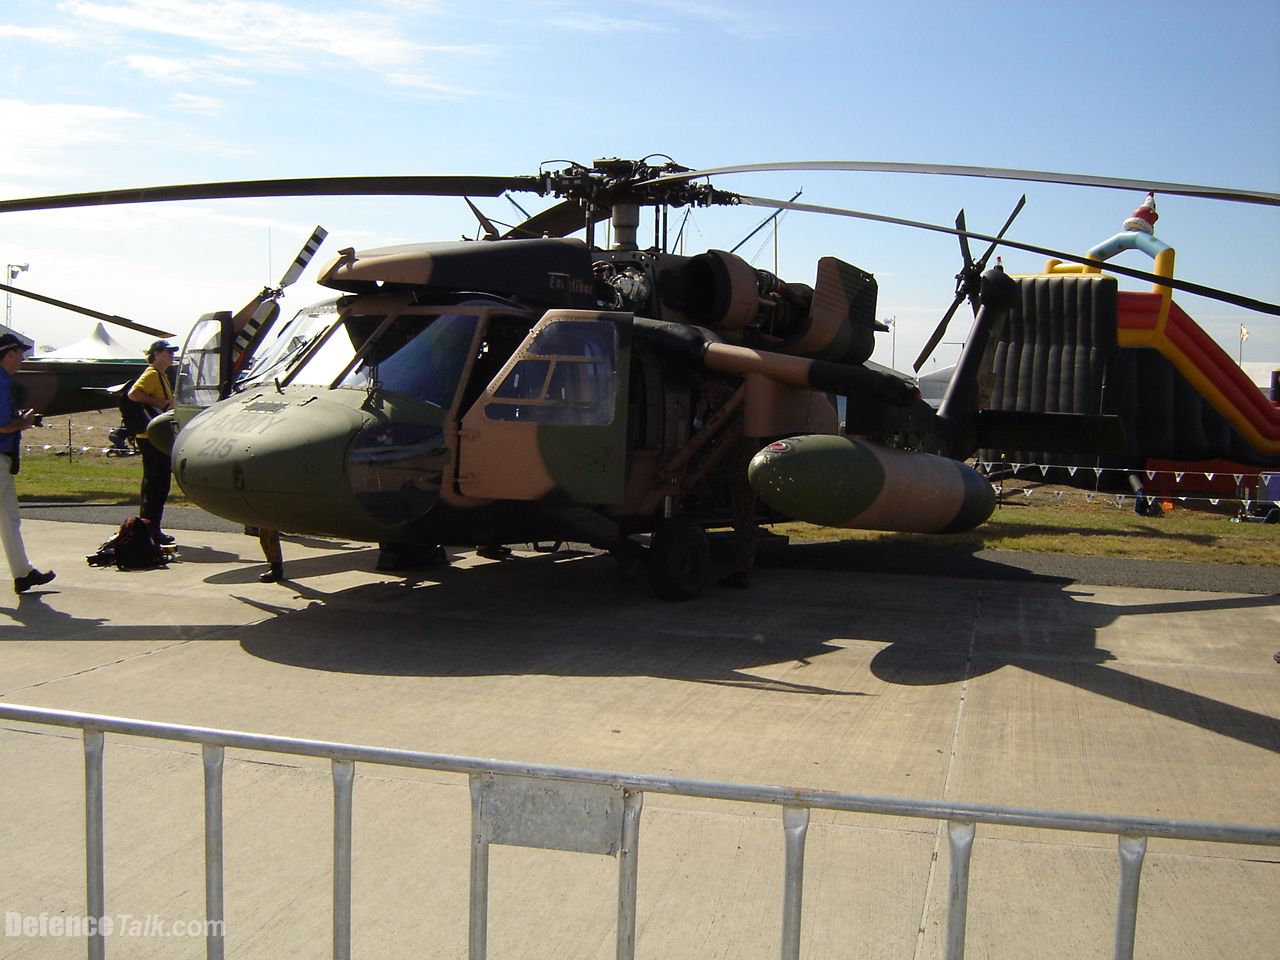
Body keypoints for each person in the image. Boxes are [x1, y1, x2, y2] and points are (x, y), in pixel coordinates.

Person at [0, 333, 55, 594]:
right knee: (8, 519)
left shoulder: (5, 382)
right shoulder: (1, 383)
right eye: (20, 353)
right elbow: (2, 427)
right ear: (9, 354)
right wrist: (25, 422)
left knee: (10, 518)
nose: (22, 358)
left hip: (5, 459)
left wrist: (21, 420)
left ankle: (22, 573)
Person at [128, 340, 178, 544]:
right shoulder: (152, 374)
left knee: (157, 484)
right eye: (168, 352)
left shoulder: (160, 375)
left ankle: (150, 528)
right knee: (156, 484)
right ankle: (150, 530)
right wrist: (160, 403)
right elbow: (134, 394)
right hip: (151, 438)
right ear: (157, 354)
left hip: (155, 437)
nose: (172, 356)